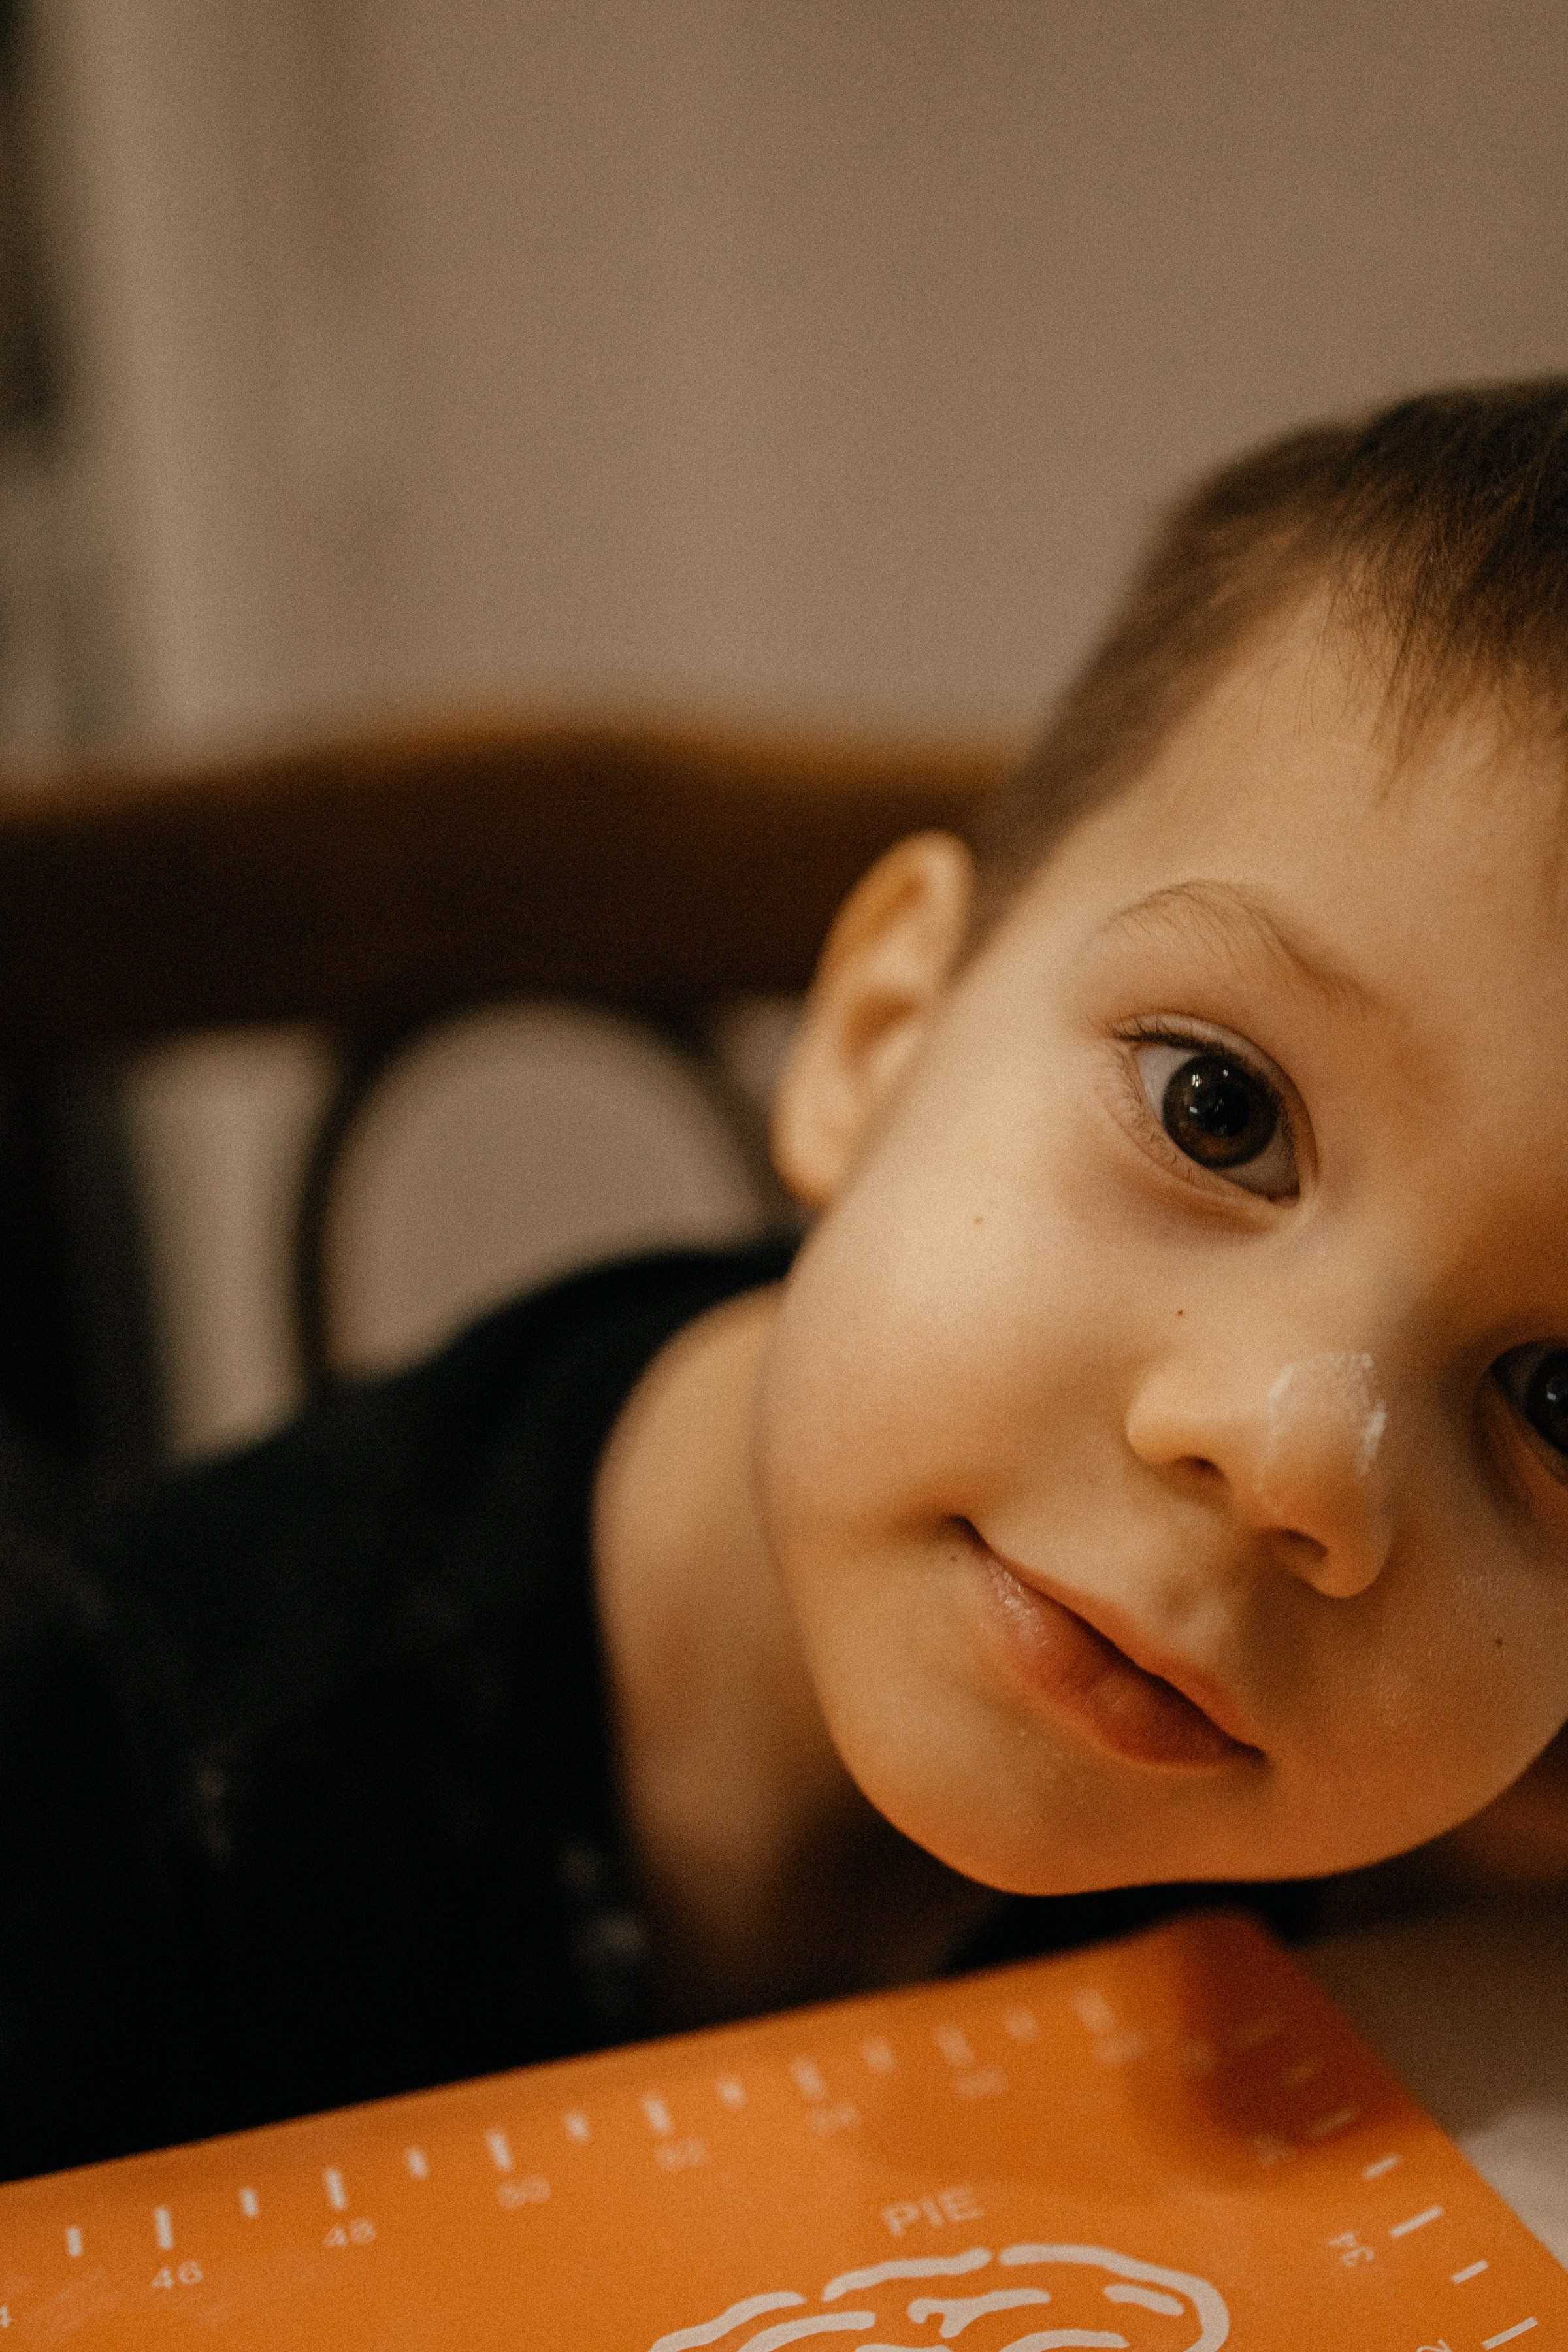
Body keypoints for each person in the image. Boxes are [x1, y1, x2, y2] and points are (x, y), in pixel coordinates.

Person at [7, 377, 1568, 2183]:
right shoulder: (104, 1815)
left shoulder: (1448, 1848)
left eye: (1557, 1395)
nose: (1297, 1456)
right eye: (1219, 1114)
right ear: (882, 1037)